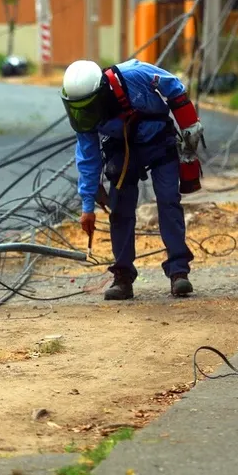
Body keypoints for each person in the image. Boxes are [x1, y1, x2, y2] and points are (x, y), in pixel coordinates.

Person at [61, 58, 205, 300]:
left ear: (102, 91)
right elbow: (88, 158)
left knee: (169, 200)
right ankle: (123, 277)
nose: (85, 112)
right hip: (121, 149)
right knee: (120, 209)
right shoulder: (83, 115)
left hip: (158, 141)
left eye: (89, 105)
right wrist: (87, 207)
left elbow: (174, 86)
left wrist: (189, 129)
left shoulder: (135, 74)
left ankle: (179, 272)